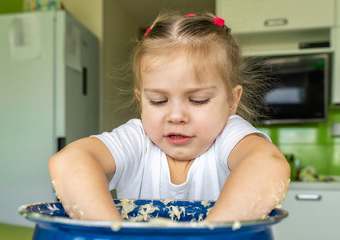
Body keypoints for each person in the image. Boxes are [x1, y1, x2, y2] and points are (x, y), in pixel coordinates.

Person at [49, 12, 290, 222]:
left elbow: (268, 166)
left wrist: (211, 234)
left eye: (198, 100)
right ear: (141, 100)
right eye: (158, 101)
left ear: (231, 101)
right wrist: (114, 233)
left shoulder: (228, 136)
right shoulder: (138, 139)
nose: (176, 116)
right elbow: (69, 162)